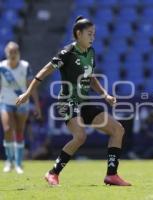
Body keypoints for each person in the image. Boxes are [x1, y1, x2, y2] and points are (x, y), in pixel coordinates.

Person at [16, 16, 131, 186]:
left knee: (118, 130)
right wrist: (28, 92)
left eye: (94, 34)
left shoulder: (90, 53)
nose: (93, 38)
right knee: (80, 136)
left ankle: (111, 175)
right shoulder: (67, 52)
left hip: (84, 101)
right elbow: (44, 71)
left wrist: (105, 95)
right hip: (67, 101)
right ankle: (52, 173)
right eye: (89, 34)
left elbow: (90, 78)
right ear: (79, 33)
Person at [0, 41, 41, 174]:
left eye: (15, 52)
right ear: (6, 53)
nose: (12, 54)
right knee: (7, 129)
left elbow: (31, 86)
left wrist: (37, 105)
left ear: (19, 53)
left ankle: (18, 163)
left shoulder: (25, 66)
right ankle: (9, 161)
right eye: (10, 52)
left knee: (19, 131)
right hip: (5, 101)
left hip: (22, 103)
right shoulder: (2, 67)